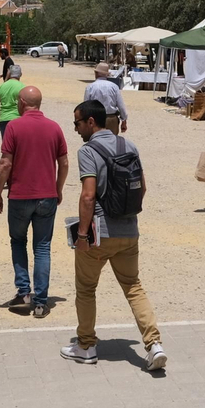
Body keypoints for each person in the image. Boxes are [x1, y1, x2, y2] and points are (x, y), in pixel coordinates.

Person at [60, 99, 166, 370]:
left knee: (86, 289)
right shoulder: (129, 146)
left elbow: (88, 196)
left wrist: (82, 236)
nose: (75, 129)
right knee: (133, 287)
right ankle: (154, 344)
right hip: (129, 231)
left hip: (100, 233)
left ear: (91, 122)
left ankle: (86, 346)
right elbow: (142, 188)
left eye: (77, 123)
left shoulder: (88, 151)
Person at [0, 85, 69, 318]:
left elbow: (5, 164)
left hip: (20, 195)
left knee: (18, 241)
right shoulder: (54, 127)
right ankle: (41, 302)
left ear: (22, 103)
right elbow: (64, 163)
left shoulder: (14, 127)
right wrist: (58, 188)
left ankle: (24, 292)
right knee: (42, 247)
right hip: (47, 196)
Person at [85, 62, 130, 134]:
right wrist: (124, 120)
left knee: (96, 140)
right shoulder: (114, 87)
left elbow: (86, 106)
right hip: (111, 119)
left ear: (96, 73)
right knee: (112, 140)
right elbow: (121, 106)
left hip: (96, 120)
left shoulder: (90, 87)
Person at [0, 65, 24, 140]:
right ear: (20, 74)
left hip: (4, 118)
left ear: (10, 74)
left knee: (6, 144)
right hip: (17, 118)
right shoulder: (22, 87)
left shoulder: (2, 86)